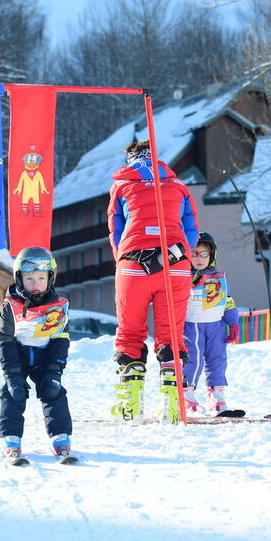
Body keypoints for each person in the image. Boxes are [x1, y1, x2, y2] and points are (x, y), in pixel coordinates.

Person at [108, 140, 199, 425]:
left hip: (133, 264)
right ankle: (172, 406)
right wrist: (179, 257)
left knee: (131, 333)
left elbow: (116, 229)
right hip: (175, 265)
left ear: (130, 159)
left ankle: (130, 405)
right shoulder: (178, 185)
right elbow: (191, 230)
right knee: (171, 334)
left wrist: (122, 259)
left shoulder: (122, 185)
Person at [0, 247, 74, 465]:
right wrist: (12, 377)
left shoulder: (59, 307)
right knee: (13, 393)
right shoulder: (10, 307)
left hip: (45, 358)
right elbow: (5, 341)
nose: (36, 283)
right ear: (19, 278)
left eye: (41, 277)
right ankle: (10, 439)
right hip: (17, 357)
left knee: (53, 390)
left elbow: (61, 340)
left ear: (51, 278)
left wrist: (55, 371)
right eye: (29, 278)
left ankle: (61, 437)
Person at [183, 232, 242, 414]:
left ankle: (215, 393)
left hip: (215, 325)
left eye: (204, 254)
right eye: (194, 253)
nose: (199, 259)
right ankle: (187, 393)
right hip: (192, 325)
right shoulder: (183, 276)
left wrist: (232, 323)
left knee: (218, 359)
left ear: (211, 256)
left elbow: (228, 300)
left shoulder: (219, 277)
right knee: (193, 359)